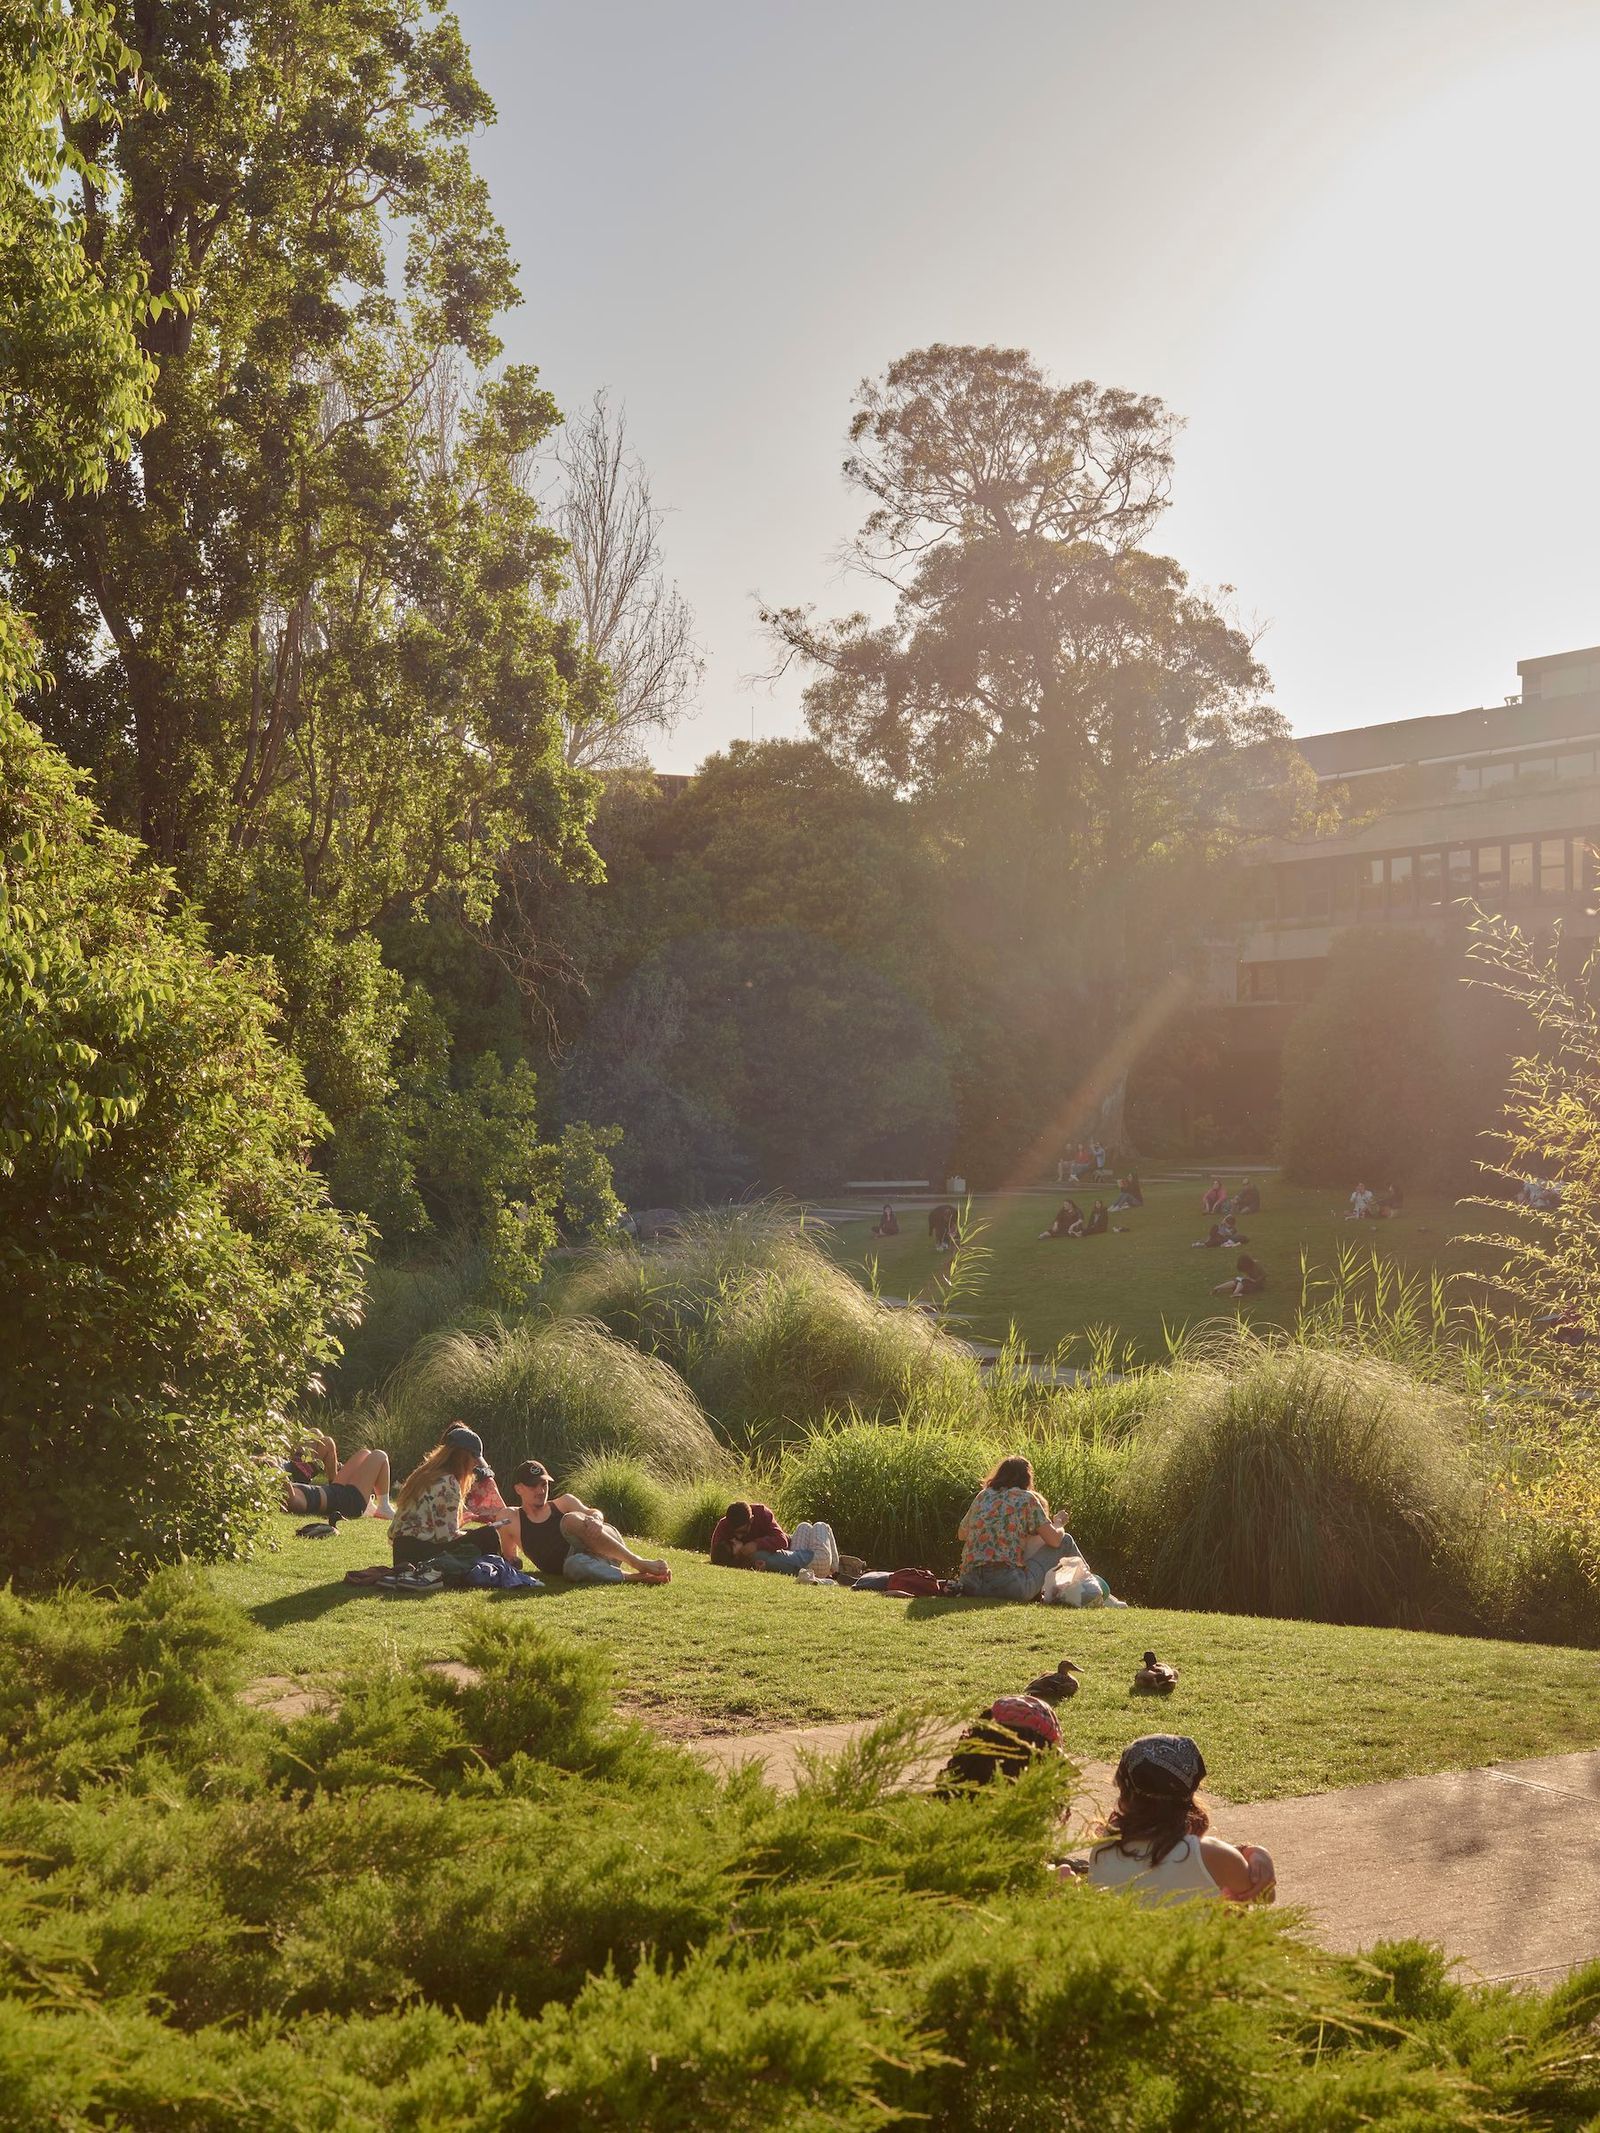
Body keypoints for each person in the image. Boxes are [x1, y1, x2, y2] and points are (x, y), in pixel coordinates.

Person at [1081, 1735, 1275, 1905]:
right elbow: (1265, 1896)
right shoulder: (1209, 1855)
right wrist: (1254, 1851)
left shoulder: (1104, 1846)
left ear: (1125, 1793)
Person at [509, 1459, 671, 1584]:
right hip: (587, 1564)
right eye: (533, 1486)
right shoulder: (512, 1520)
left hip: (606, 1544)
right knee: (571, 1566)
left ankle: (637, 1562)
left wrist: (596, 1519)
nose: (540, 1491)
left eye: (544, 1484)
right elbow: (510, 1558)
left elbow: (593, 1512)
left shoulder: (564, 1502)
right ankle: (638, 1578)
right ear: (518, 1489)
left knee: (570, 1519)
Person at [389, 1427, 518, 1568]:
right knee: (488, 1535)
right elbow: (446, 1537)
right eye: (474, 1459)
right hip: (422, 1554)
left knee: (476, 1534)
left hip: (402, 1552)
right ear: (463, 1457)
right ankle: (500, 1567)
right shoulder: (448, 1482)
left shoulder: (423, 1475)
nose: (475, 1465)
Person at [956, 1456, 1079, 1602]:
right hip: (1008, 1587)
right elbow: (1054, 1541)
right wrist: (1058, 1523)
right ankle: (1092, 1588)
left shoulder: (983, 1496)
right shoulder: (1027, 1498)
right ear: (1027, 1478)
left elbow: (961, 1534)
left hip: (970, 1585)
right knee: (1065, 1540)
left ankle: (1081, 1589)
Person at [281, 1430, 395, 1523]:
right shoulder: (295, 1502)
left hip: (335, 1491)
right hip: (348, 1501)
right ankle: (383, 1507)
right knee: (380, 1455)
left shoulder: (288, 1492)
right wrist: (274, 1468)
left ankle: (368, 1504)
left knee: (364, 1453)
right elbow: (292, 1500)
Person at [708, 1500, 838, 1577]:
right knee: (821, 1526)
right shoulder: (724, 1525)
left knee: (804, 1526)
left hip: (791, 1551)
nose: (737, 1537)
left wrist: (756, 1544)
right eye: (734, 1533)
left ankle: (832, 1568)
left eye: (742, 1532)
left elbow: (782, 1540)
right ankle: (835, 1569)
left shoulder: (762, 1514)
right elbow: (719, 1555)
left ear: (751, 1520)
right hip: (806, 1562)